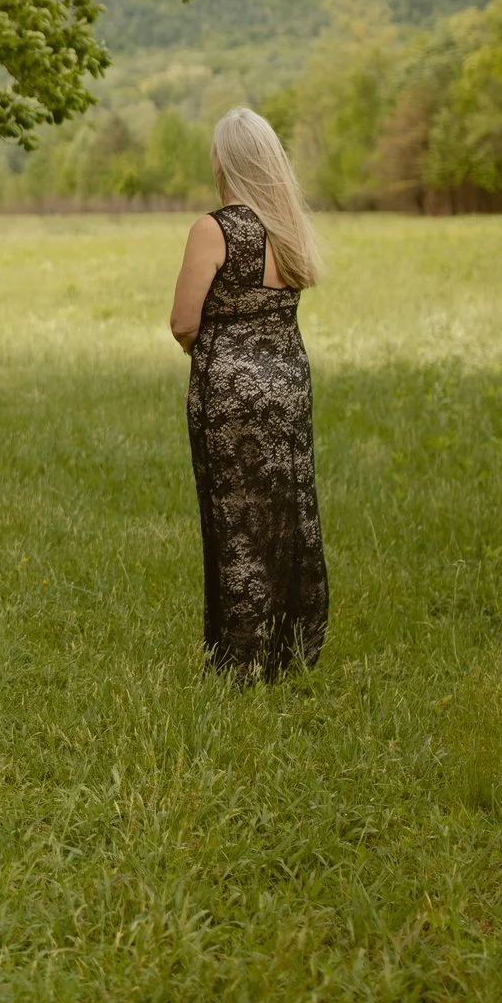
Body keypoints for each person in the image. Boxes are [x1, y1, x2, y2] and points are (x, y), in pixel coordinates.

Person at [168, 107, 329, 681]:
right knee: (289, 512)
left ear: (222, 161)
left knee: (235, 519)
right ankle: (292, 649)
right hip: (289, 384)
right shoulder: (289, 230)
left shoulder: (214, 230)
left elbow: (184, 323)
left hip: (229, 393)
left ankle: (240, 659)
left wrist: (221, 356)